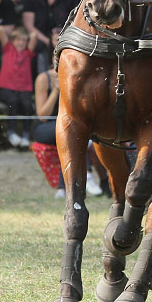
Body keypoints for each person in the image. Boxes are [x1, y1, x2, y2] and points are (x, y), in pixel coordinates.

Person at [31, 27, 103, 197]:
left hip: (70, 121)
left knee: (76, 130)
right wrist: (57, 91)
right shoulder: (44, 78)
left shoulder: (78, 76)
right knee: (73, 131)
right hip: (45, 127)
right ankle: (87, 176)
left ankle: (63, 189)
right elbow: (42, 115)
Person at [22, 0, 75, 74]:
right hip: (39, 36)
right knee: (39, 46)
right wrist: (47, 40)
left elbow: (74, 21)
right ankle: (41, 78)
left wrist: (61, 37)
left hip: (62, 36)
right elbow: (28, 25)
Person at [0, 26, 37, 149]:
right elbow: (0, 29)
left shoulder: (28, 52)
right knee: (12, 102)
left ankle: (25, 134)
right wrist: (14, 33)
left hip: (24, 89)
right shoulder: (8, 48)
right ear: (13, 40)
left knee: (27, 105)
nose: (21, 43)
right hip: (5, 88)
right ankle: (11, 132)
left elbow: (33, 35)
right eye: (18, 40)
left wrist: (24, 34)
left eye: (23, 40)